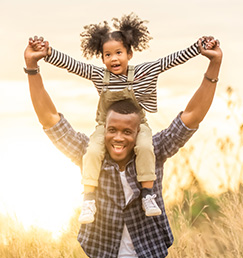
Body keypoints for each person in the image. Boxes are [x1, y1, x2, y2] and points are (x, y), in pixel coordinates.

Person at [24, 33, 222, 258]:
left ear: (138, 132)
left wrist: (214, 66)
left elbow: (191, 118)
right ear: (103, 128)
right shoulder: (89, 153)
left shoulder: (153, 150)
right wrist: (32, 69)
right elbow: (50, 120)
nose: (118, 137)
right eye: (112, 130)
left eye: (127, 132)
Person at [28, 13, 214, 224]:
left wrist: (198, 48)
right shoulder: (99, 76)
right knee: (92, 151)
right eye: (107, 55)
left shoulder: (144, 72)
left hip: (138, 126)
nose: (113, 59)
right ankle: (88, 197)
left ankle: (147, 194)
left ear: (130, 53)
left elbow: (169, 61)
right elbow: (73, 65)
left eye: (118, 53)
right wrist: (47, 53)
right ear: (102, 58)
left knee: (145, 147)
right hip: (104, 126)